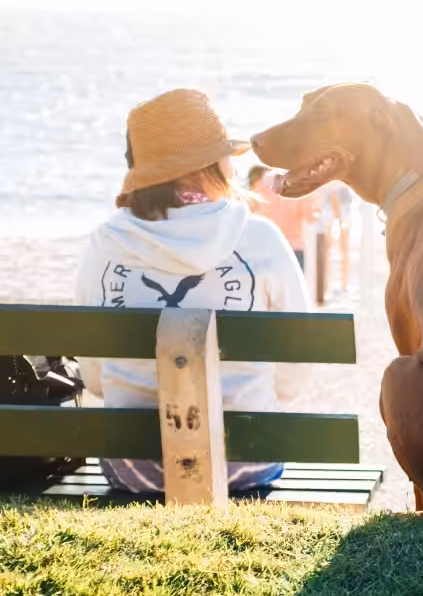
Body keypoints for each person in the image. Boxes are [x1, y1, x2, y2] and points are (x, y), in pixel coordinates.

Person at [74, 89, 312, 493]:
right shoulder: (260, 237)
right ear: (210, 165)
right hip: (247, 457)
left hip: (135, 465)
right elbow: (295, 373)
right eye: (225, 156)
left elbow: (95, 380)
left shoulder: (105, 242)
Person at [248, 164, 318, 269]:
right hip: (294, 249)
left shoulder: (260, 191)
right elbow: (311, 218)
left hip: (269, 248)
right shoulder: (296, 191)